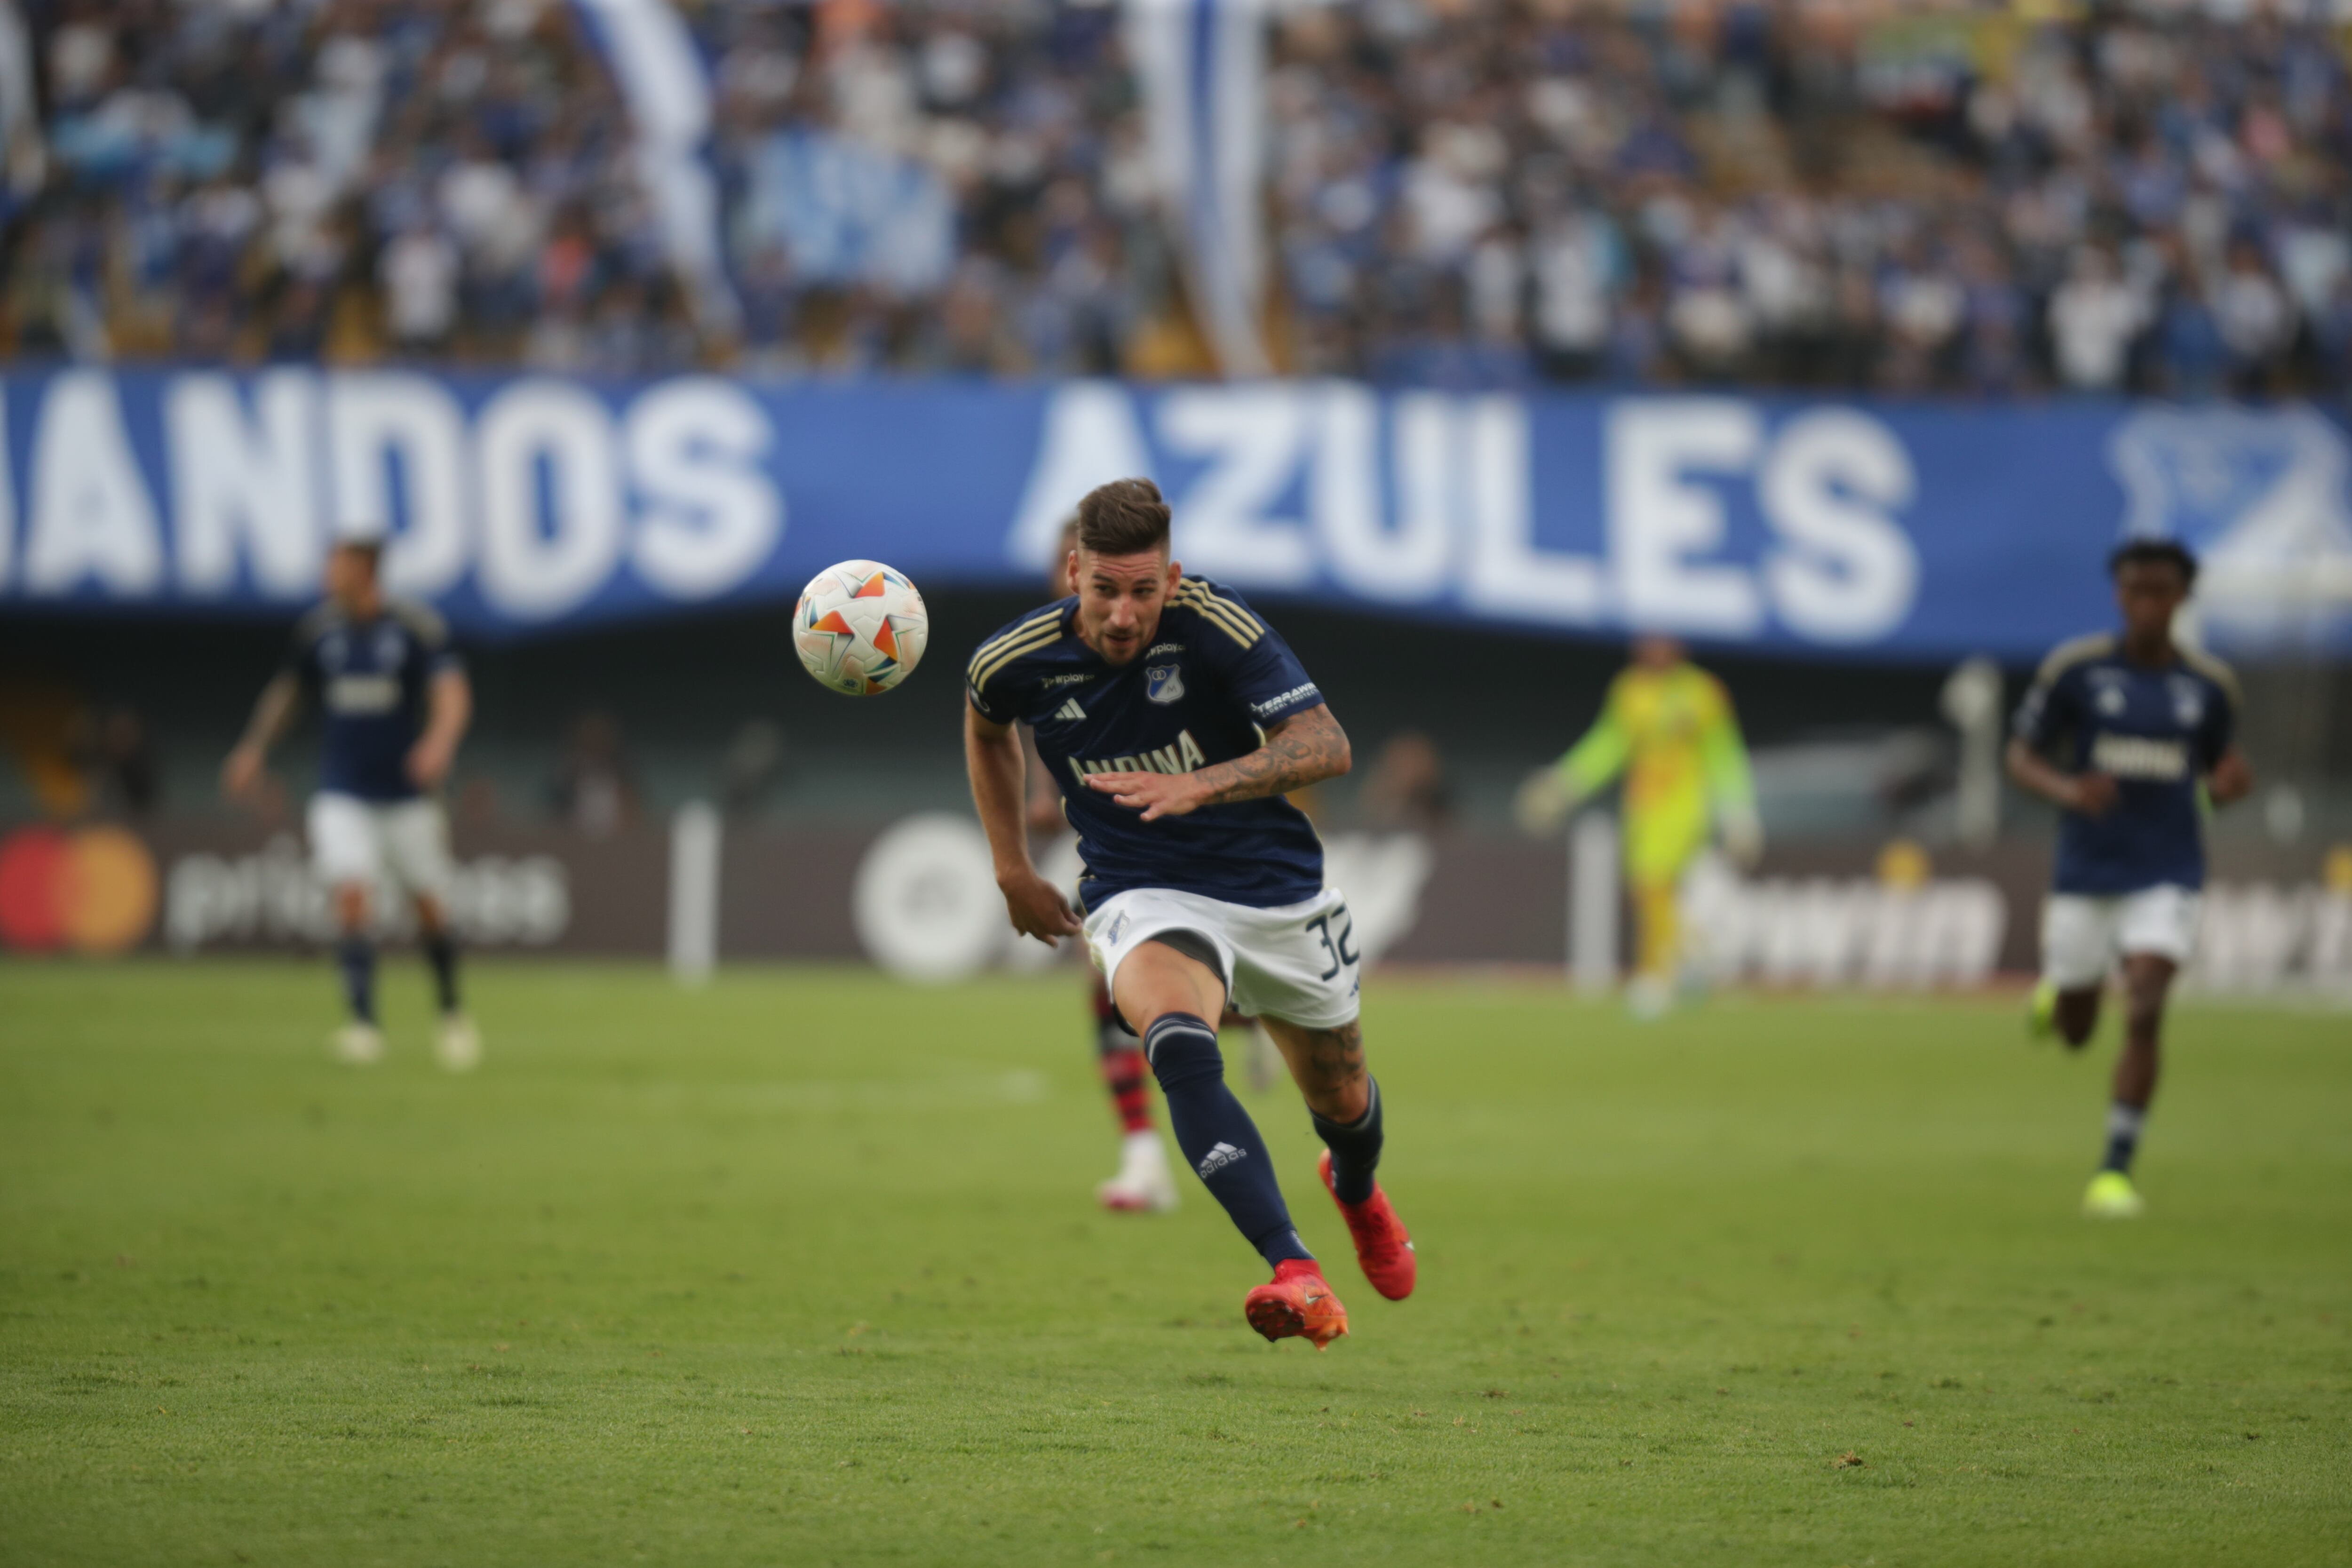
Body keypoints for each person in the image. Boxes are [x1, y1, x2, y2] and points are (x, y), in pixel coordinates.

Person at [964, 478, 1414, 1347]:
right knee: (1176, 1037)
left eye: (1143, 591)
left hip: (1275, 889)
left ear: (1171, 579)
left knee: (1344, 1105)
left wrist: (1200, 784)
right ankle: (1296, 1269)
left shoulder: (1216, 624)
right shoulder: (1012, 658)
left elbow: (1327, 744)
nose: (1123, 614)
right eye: (1104, 589)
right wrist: (1012, 866)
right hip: (1140, 888)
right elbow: (987, 729)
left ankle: (1356, 1188)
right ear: (1073, 573)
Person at [2006, 538, 2252, 1219]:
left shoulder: (2209, 686)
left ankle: (2114, 1167)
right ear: (2119, 595)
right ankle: (2060, 994)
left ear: (2182, 598)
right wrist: (2067, 789)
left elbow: (2216, 776)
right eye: (2134, 590)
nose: (2145, 604)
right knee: (2078, 1032)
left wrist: (2227, 789)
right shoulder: (2077, 670)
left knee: (2145, 1003)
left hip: (2167, 869)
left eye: (2159, 591)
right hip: (2087, 869)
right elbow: (2020, 756)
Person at [222, 538, 481, 1072]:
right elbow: (288, 693)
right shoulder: (320, 631)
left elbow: (452, 692)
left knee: (429, 906)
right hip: (342, 791)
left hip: (407, 795)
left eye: (337, 565)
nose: (328, 574)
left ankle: (451, 1013)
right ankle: (364, 1025)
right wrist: (253, 748)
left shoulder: (413, 627)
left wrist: (438, 744)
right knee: (352, 895)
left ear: (365, 570)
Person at [1024, 517, 1180, 1215]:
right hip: (1119, 852)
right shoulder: (1042, 653)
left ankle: (1254, 1018)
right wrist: (1042, 798)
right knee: (1111, 990)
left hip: (1200, 840)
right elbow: (1032, 725)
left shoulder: (1175, 640)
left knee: (1200, 998)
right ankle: (1143, 1156)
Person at [1516, 635, 1761, 1015]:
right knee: (1649, 892)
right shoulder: (1629, 689)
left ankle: (1658, 977)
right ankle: (1693, 955)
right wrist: (1565, 782)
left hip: (1685, 806)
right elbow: (1609, 744)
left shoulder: (1702, 692)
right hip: (1642, 808)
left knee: (1653, 883)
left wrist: (1737, 809)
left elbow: (1723, 752)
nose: (1653, 646)